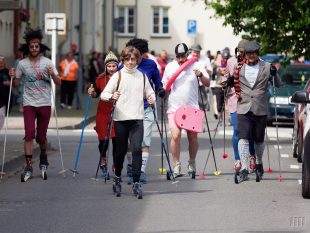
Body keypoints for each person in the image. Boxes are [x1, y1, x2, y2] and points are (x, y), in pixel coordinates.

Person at [101, 46, 155, 199]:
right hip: (121, 119)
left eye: (133, 59)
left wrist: (152, 98)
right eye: (127, 59)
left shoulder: (142, 76)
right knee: (120, 151)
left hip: (137, 118)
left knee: (137, 149)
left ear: (137, 60)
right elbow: (104, 94)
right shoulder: (118, 76)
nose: (130, 62)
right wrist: (112, 96)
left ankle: (136, 182)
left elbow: (150, 92)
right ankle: (117, 177)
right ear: (123, 60)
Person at [11, 28, 61, 181]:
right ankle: (28, 166)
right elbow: (16, 84)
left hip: (45, 102)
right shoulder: (22, 64)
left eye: (36, 46)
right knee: (29, 134)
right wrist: (13, 77)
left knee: (41, 136)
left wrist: (52, 74)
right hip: (29, 103)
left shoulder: (48, 63)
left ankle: (43, 157)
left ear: (40, 47)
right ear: (28, 47)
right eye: (31, 46)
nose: (34, 48)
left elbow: (59, 83)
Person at [228, 40, 282, 183]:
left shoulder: (266, 66)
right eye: (248, 53)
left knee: (258, 139)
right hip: (243, 107)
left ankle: (258, 163)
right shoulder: (238, 67)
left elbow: (278, 83)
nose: (251, 56)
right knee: (243, 136)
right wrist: (227, 82)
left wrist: (274, 73)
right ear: (245, 54)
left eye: (253, 53)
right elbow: (231, 81)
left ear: (257, 53)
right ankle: (245, 168)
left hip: (260, 108)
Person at [162, 43, 210, 177]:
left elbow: (207, 83)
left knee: (192, 137)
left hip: (191, 107)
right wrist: (161, 90)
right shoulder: (170, 66)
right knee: (175, 136)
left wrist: (201, 75)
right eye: (178, 56)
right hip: (174, 107)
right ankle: (176, 165)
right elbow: (164, 84)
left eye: (183, 56)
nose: (180, 59)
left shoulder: (196, 65)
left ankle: (192, 162)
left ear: (188, 54)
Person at [125, 38, 165, 184]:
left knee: (144, 142)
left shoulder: (150, 65)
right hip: (128, 108)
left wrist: (160, 89)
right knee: (132, 143)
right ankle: (131, 167)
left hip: (147, 108)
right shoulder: (124, 65)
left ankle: (140, 171)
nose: (142, 57)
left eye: (141, 54)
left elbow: (157, 80)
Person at [224, 39, 256, 174]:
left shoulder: (254, 63)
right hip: (234, 100)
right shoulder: (231, 62)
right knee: (237, 130)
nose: (242, 54)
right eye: (240, 51)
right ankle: (238, 159)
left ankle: (252, 157)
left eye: (244, 52)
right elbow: (225, 78)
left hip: (249, 101)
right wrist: (226, 82)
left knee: (250, 131)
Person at [87, 51, 119, 179]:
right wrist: (92, 92)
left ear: (117, 66)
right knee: (103, 141)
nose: (111, 68)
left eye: (114, 66)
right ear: (105, 67)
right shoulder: (100, 79)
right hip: (103, 111)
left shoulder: (122, 77)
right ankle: (103, 160)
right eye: (109, 66)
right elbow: (95, 93)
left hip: (118, 111)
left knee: (117, 140)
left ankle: (116, 164)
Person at [189, 44, 212, 111]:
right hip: (191, 85)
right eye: (194, 52)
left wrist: (205, 70)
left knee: (202, 104)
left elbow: (210, 71)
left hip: (201, 84)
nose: (196, 54)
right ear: (191, 51)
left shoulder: (205, 59)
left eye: (198, 52)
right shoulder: (187, 58)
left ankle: (201, 116)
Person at [0, 56, 11, 131]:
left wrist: (10, 82)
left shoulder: (7, 72)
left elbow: (14, 83)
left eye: (2, 62)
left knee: (1, 116)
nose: (0, 63)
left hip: (3, 98)